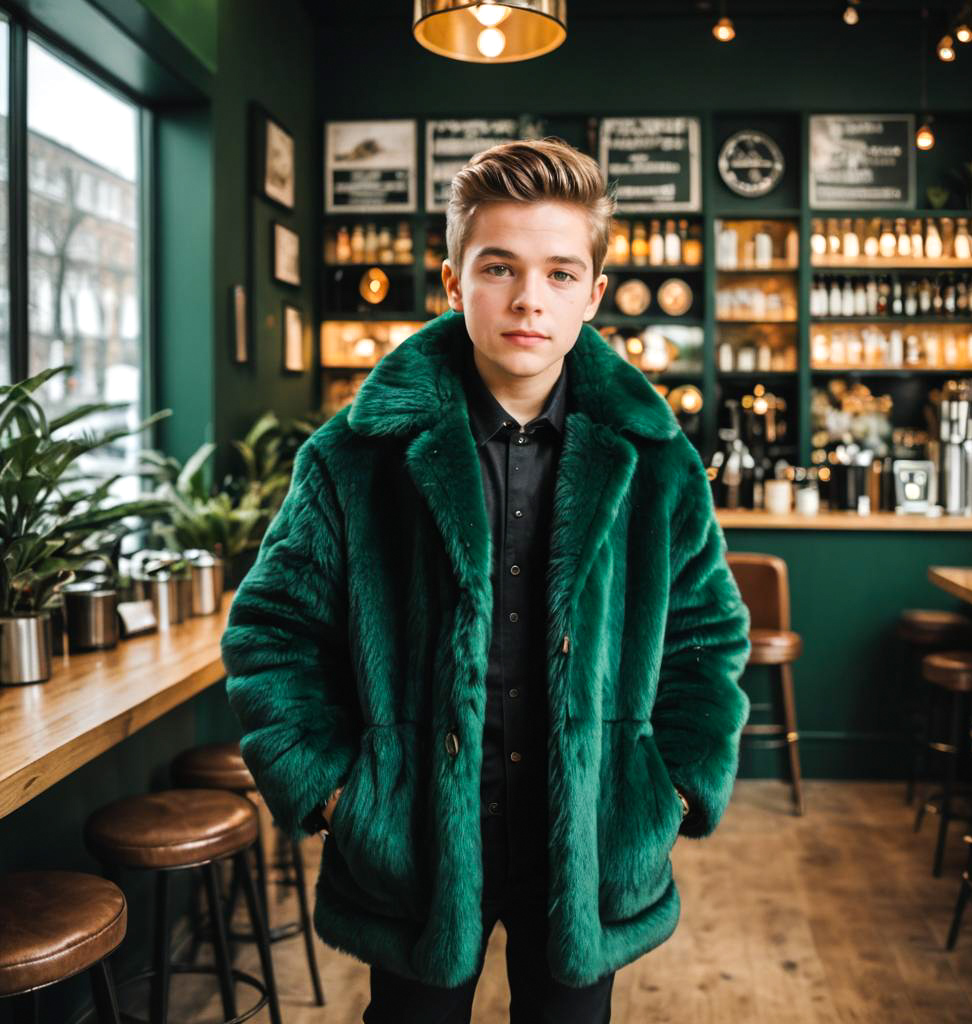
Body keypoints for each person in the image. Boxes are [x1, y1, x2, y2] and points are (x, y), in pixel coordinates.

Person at [220, 137, 751, 1024]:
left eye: (559, 271)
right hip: (416, 846)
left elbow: (708, 636)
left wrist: (678, 783)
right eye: (500, 267)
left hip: (588, 844)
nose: (529, 299)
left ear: (593, 290)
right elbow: (270, 633)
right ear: (454, 282)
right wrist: (338, 793)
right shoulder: (354, 459)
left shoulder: (658, 465)